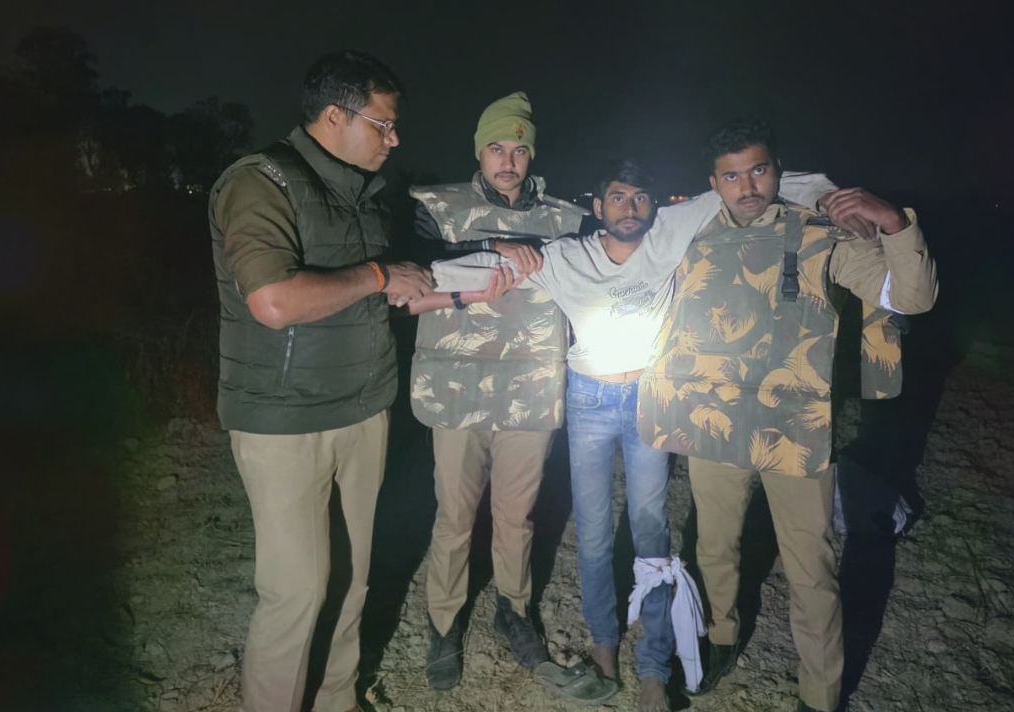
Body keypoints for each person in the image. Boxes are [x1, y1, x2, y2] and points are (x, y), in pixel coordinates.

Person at [430, 157, 836, 711]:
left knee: (651, 529)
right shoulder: (566, 257)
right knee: (594, 532)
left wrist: (829, 194)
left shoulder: (667, 232)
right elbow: (475, 267)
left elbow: (742, 184)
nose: (631, 208)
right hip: (589, 399)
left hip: (649, 395)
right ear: (598, 207)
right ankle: (604, 646)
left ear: (653, 205)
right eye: (618, 197)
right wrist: (448, 266)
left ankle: (653, 666)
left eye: (641, 198)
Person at [637, 119, 938, 712]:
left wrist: (894, 223)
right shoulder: (689, 238)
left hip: (793, 430)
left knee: (811, 568)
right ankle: (721, 638)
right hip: (713, 419)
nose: (747, 186)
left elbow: (913, 297)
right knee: (714, 547)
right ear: (713, 184)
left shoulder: (821, 235)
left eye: (758, 170)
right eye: (731, 176)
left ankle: (820, 695)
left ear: (777, 170)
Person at [208, 50, 434, 712]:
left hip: (363, 408)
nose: (395, 139)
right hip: (284, 420)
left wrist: (467, 274)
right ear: (335, 116)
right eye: (384, 124)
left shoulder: (363, 194)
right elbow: (274, 301)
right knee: (297, 591)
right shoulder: (260, 182)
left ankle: (338, 699)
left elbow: (370, 293)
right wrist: (380, 275)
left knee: (354, 578)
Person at [404, 92, 612, 703]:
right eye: (496, 148)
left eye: (519, 150)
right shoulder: (436, 209)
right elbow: (413, 272)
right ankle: (444, 623)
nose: (508, 160)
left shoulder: (568, 220)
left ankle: (514, 612)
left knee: (516, 517)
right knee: (454, 515)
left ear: (531, 156)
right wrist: (492, 251)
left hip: (530, 391)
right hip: (457, 390)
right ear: (479, 152)